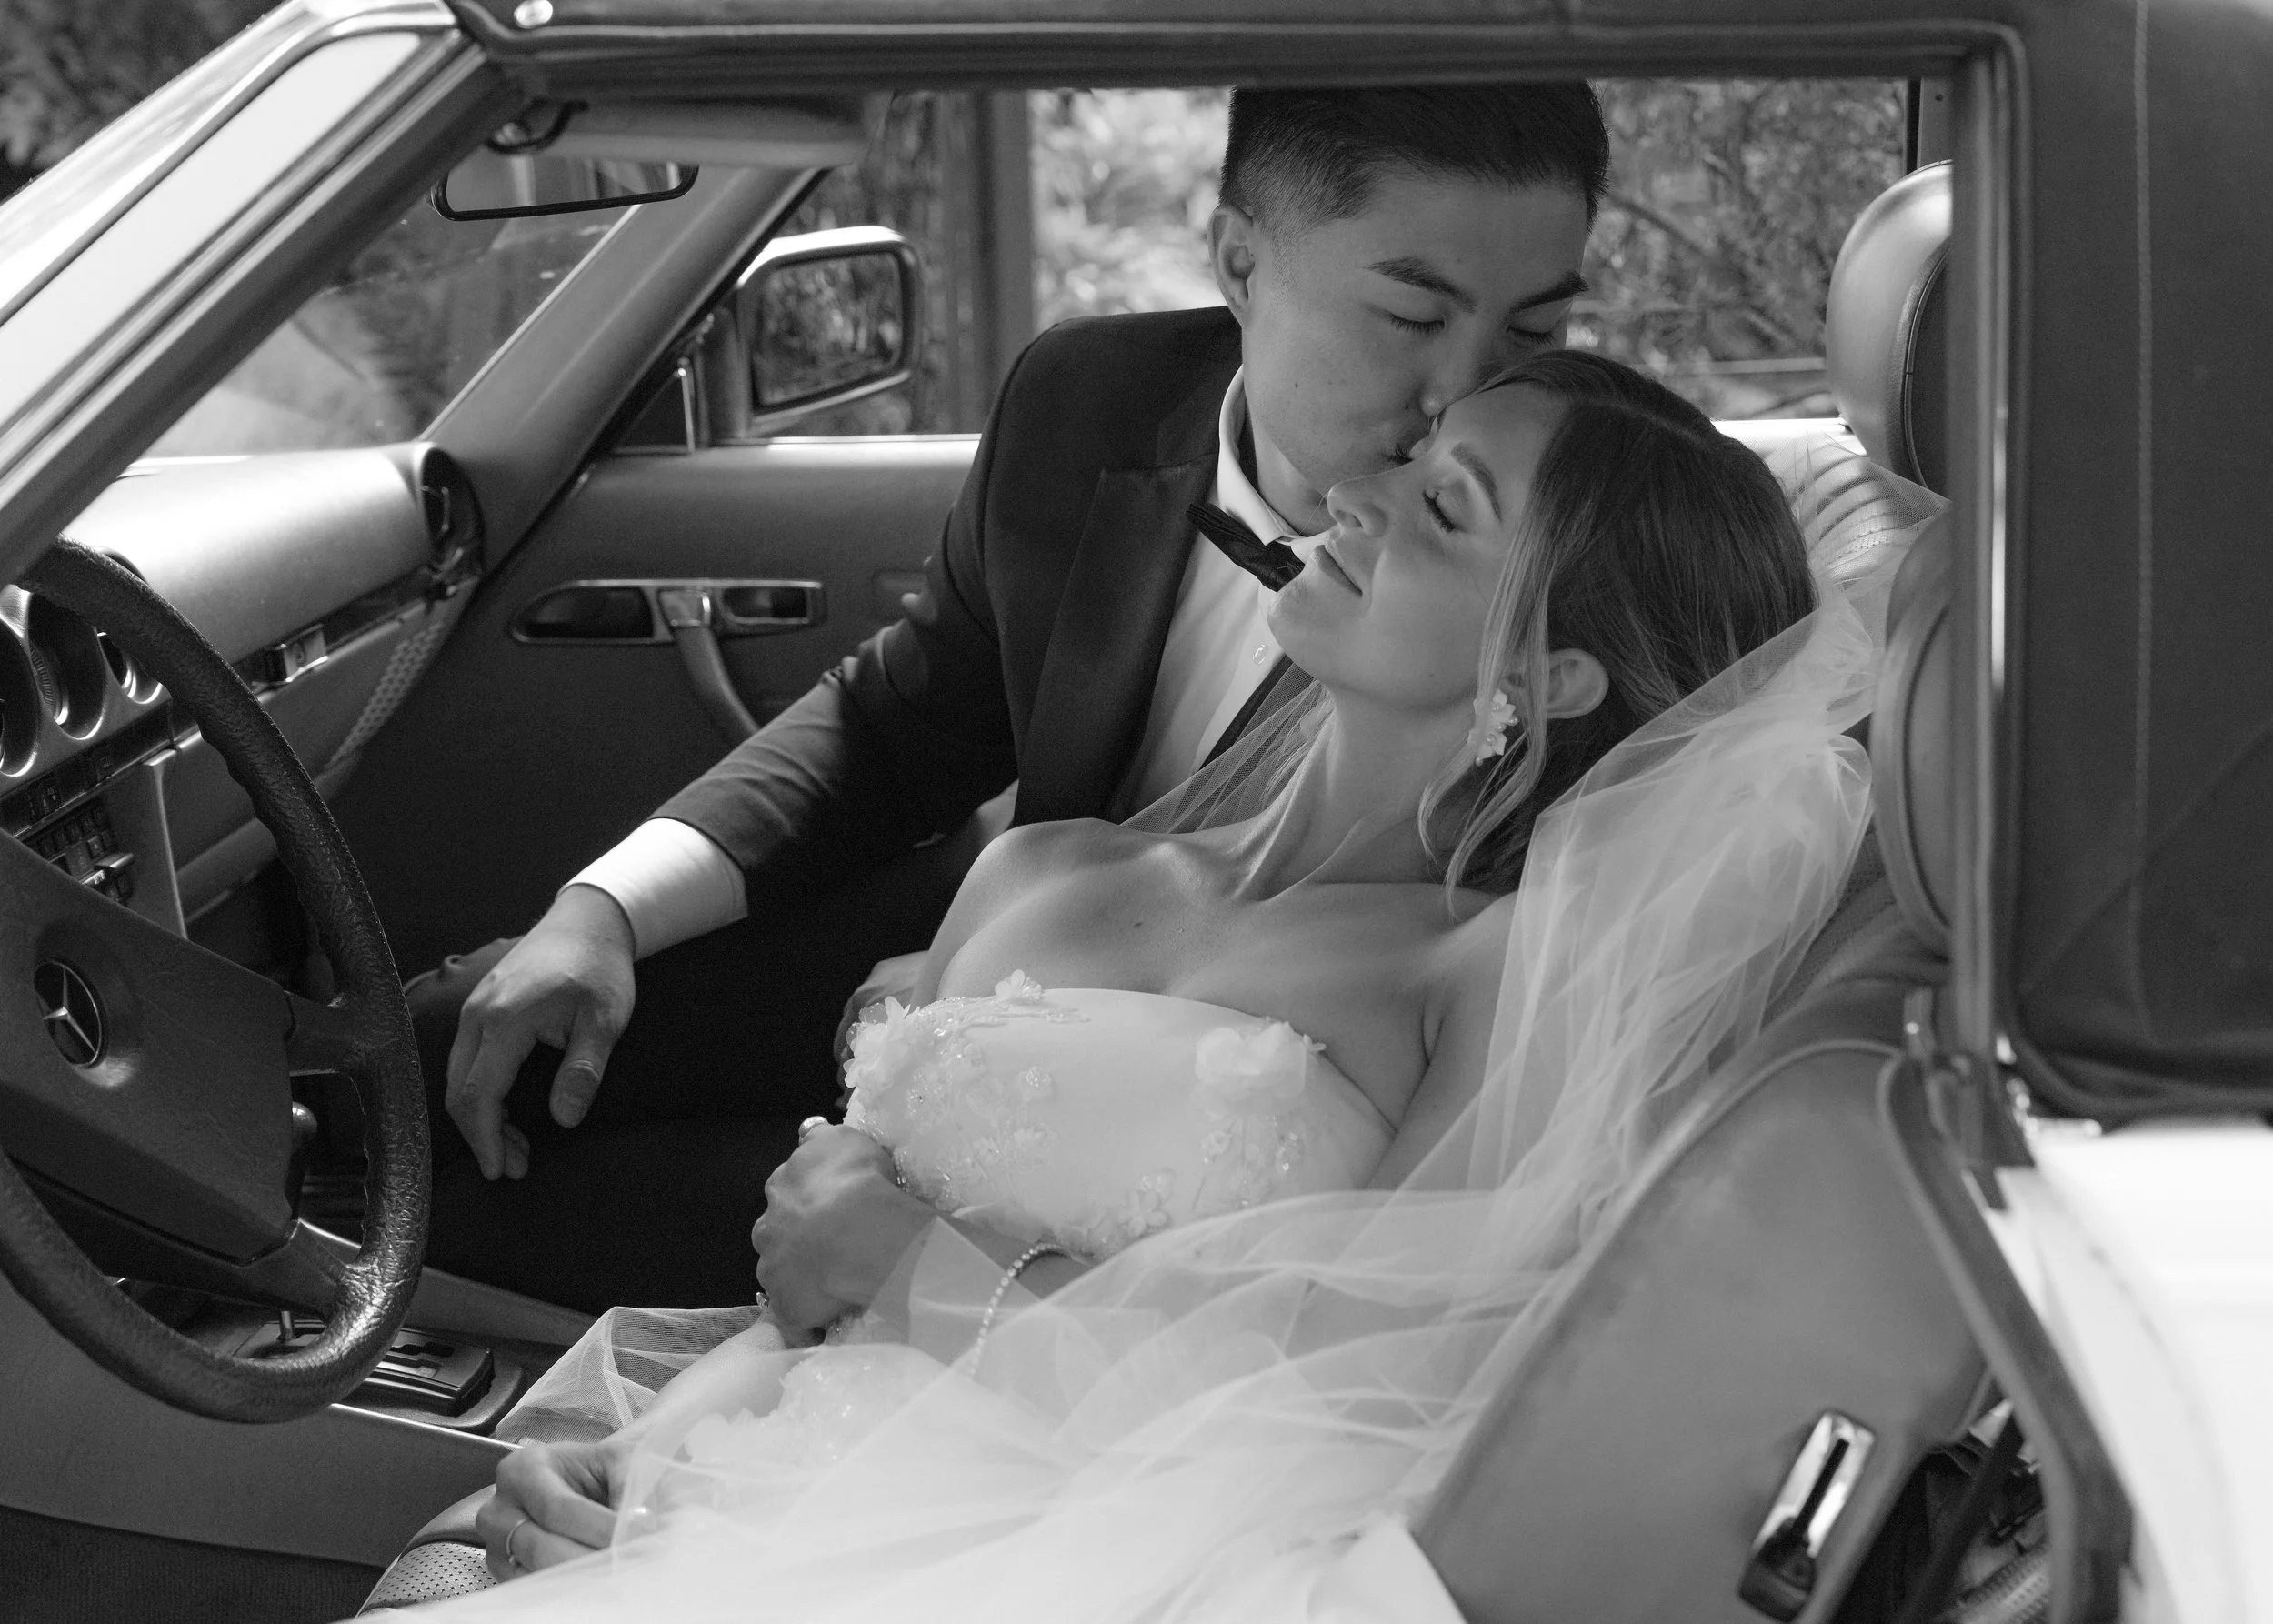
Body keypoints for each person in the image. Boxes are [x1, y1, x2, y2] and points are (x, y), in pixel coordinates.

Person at [408, 350, 1911, 1622]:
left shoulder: (1488, 969)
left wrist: (895, 1291)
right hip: (727, 1478)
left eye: (1443, 507)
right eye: (1408, 457)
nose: (1353, 495)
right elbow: (819, 1300)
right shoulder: (1047, 866)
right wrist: (640, 1463)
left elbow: (1394, 1399)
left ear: (1552, 675)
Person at [406, 84, 1614, 1309]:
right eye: (1413, 314)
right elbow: (899, 722)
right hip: (966, 966)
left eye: (1533, 335)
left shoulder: (1558, 574)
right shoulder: (1091, 399)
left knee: (490, 1213)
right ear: (1239, 260)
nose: (1464, 394)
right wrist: (603, 910)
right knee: (442, 1051)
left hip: (1133, 1184)